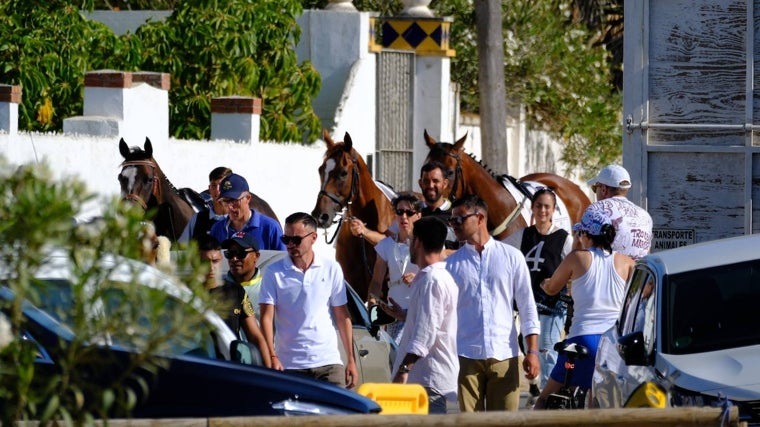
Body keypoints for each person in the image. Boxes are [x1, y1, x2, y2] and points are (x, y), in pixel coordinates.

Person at [445, 195, 540, 412]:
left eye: (459, 219)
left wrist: (532, 352)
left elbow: (527, 306)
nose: (454, 225)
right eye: (452, 221)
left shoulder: (512, 257)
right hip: (466, 356)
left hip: (505, 354)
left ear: (479, 218)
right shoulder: (451, 264)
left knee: (505, 422)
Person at [533, 208, 635, 409]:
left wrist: (544, 285)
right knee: (598, 402)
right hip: (613, 341)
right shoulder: (626, 262)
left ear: (586, 234)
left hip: (583, 338)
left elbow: (552, 288)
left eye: (580, 233)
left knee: (545, 398)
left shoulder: (577, 257)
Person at [258, 212, 358, 388]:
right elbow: (266, 318)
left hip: (329, 363)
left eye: (295, 240)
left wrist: (351, 359)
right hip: (289, 366)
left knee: (337, 415)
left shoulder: (331, 268)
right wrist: (272, 357)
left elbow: (342, 316)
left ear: (313, 238)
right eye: (285, 239)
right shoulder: (273, 272)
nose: (290, 244)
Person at [504, 187, 573, 403]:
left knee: (547, 346)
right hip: (528, 305)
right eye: (538, 205)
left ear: (553, 210)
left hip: (554, 305)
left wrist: (559, 284)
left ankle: (551, 397)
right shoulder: (522, 236)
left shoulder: (564, 239)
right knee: (529, 346)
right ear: (532, 208)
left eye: (547, 206)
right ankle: (538, 389)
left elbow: (574, 268)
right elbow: (501, 253)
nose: (542, 210)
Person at [391, 216, 459, 414]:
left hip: (427, 380)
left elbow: (424, 335)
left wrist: (403, 371)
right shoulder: (432, 277)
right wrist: (403, 315)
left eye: (412, 240)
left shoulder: (432, 280)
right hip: (424, 378)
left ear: (418, 242)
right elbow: (430, 322)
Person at [197, 233, 271, 368]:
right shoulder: (184, 293)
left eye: (215, 261)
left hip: (231, 369)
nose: (211, 267)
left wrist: (271, 372)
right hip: (196, 367)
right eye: (230, 254)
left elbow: (255, 336)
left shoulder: (237, 292)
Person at [349, 161, 459, 251]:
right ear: (420, 183)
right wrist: (363, 231)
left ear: (445, 184)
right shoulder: (410, 212)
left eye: (435, 181)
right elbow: (387, 241)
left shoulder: (456, 213)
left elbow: (467, 250)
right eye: (426, 181)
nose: (430, 185)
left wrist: (442, 255)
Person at [365, 193, 423, 343]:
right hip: (394, 313)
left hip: (421, 311)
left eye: (409, 212)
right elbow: (377, 281)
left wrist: (418, 278)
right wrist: (372, 305)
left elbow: (439, 272)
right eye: (399, 212)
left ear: (418, 215)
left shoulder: (427, 243)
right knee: (395, 360)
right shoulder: (386, 245)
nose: (404, 216)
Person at [585, 164, 653, 260]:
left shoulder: (596, 209)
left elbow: (583, 250)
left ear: (604, 189)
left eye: (595, 188)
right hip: (635, 273)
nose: (596, 192)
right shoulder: (645, 216)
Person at [209, 173, 286, 250]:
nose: (230, 207)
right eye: (225, 201)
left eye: (234, 201)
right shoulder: (217, 229)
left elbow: (282, 260)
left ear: (248, 198)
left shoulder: (270, 228)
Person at [220, 230, 265, 324]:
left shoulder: (268, 288)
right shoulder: (218, 288)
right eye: (230, 254)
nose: (234, 259)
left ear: (256, 256)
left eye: (241, 253)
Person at [179, 166, 232, 244]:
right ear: (209, 189)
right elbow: (180, 249)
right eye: (214, 185)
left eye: (222, 185)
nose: (217, 190)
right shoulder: (197, 219)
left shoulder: (242, 219)